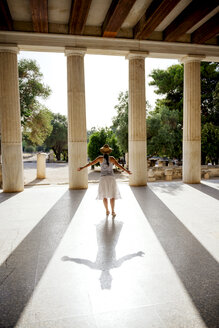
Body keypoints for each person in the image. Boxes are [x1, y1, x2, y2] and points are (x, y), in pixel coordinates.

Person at [77, 144, 132, 217]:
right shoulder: (112, 158)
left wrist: (82, 167)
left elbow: (91, 163)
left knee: (104, 196)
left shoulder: (100, 158)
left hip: (103, 178)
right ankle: (113, 211)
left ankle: (107, 210)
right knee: (112, 196)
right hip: (111, 178)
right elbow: (119, 165)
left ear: (102, 151)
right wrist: (126, 171)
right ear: (109, 152)